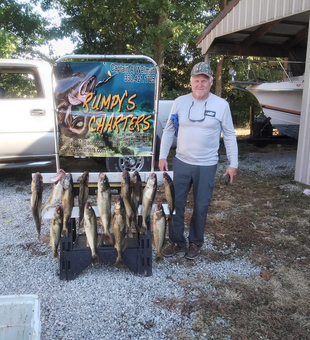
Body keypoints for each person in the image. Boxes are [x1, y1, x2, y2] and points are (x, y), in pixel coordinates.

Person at [159, 61, 238, 260]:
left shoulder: (221, 105)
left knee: (201, 206)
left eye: (204, 81)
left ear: (210, 82)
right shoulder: (180, 102)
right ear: (191, 82)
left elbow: (229, 134)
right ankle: (177, 241)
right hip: (182, 162)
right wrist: (162, 156)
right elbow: (169, 130)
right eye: (197, 80)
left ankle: (195, 243)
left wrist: (233, 163)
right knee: (176, 203)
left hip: (207, 164)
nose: (200, 84)